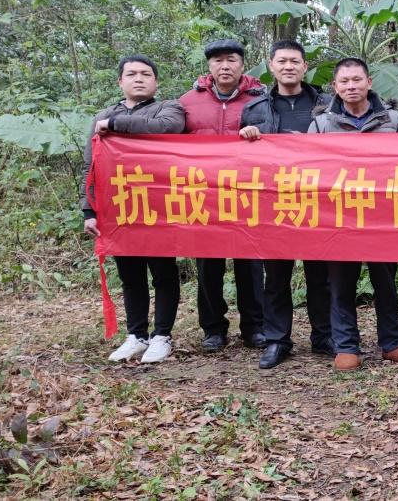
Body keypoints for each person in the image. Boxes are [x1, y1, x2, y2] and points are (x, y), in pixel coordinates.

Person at [305, 57, 398, 371]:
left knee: (386, 282)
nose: (351, 86)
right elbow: (310, 168)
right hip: (339, 217)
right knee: (340, 283)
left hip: (383, 216)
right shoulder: (322, 123)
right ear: (335, 87)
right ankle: (347, 346)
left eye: (357, 80)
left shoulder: (393, 119)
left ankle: (392, 343)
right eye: (344, 81)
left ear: (369, 82)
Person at [82, 55, 186, 363]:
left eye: (145, 74)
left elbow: (168, 129)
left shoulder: (168, 109)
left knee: (164, 274)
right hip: (120, 209)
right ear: (120, 81)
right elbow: (91, 166)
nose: (138, 78)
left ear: (155, 81)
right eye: (131, 74)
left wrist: (114, 126)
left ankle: (162, 336)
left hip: (159, 207)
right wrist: (89, 211)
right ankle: (137, 335)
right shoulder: (102, 114)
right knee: (131, 275)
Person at [237, 40, 334, 368]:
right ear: (271, 65)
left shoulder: (327, 105)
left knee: (320, 274)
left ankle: (324, 336)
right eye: (282, 61)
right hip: (274, 204)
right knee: (275, 276)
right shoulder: (254, 109)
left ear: (305, 66)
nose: (289, 66)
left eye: (295, 61)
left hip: (318, 201)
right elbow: (240, 162)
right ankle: (278, 340)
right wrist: (246, 136)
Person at [179, 39, 268, 352]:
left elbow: (275, 137)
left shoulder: (260, 99)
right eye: (218, 60)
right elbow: (169, 138)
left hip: (248, 193)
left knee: (250, 265)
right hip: (204, 196)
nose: (225, 66)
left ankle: (255, 328)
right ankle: (213, 328)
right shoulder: (188, 101)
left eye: (231, 59)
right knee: (208, 266)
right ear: (209, 66)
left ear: (243, 64)